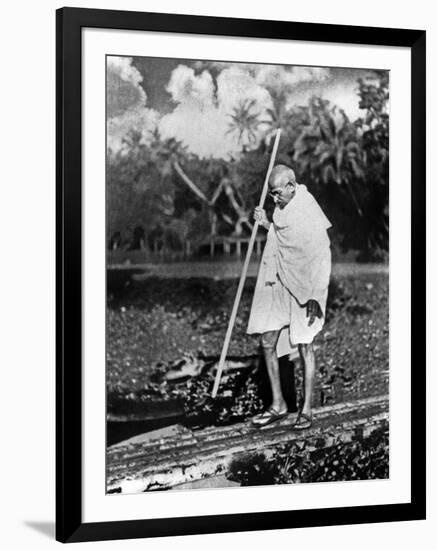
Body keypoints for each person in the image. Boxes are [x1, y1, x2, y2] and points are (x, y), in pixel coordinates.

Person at [247, 164, 332, 429]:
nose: (274, 199)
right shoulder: (281, 209)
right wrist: (265, 223)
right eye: (271, 194)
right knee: (267, 340)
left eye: (277, 193)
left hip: (305, 287)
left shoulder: (307, 209)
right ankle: (278, 404)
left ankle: (305, 410)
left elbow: (322, 254)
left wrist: (317, 295)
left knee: (305, 345)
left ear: (292, 187)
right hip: (281, 280)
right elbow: (282, 239)